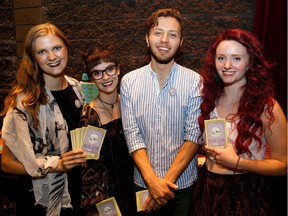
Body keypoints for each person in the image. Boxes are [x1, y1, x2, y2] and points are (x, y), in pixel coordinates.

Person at [189, 29, 287, 216]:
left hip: (246, 194)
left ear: (250, 63)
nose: (227, 65)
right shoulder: (208, 100)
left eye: (236, 58)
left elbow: (282, 166)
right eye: (221, 58)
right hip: (207, 190)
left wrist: (238, 162)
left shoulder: (267, 108)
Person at [120, 8, 202, 215]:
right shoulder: (129, 81)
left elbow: (193, 136)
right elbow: (132, 135)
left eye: (172, 35)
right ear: (147, 39)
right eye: (158, 33)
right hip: (143, 183)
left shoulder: (194, 81)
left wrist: (163, 184)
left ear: (180, 42)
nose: (164, 40)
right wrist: (151, 181)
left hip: (181, 187)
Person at [0, 23, 87, 216]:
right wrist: (57, 164)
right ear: (33, 59)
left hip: (76, 193)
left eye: (57, 48)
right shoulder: (23, 102)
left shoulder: (77, 89)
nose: (52, 57)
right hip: (42, 202)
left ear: (66, 48)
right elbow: (6, 163)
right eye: (42, 51)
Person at [79, 45, 137, 216]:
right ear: (92, 79)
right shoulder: (89, 115)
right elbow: (89, 169)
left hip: (136, 186)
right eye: (97, 73)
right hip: (109, 194)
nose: (105, 77)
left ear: (118, 70)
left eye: (110, 69)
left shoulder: (129, 103)